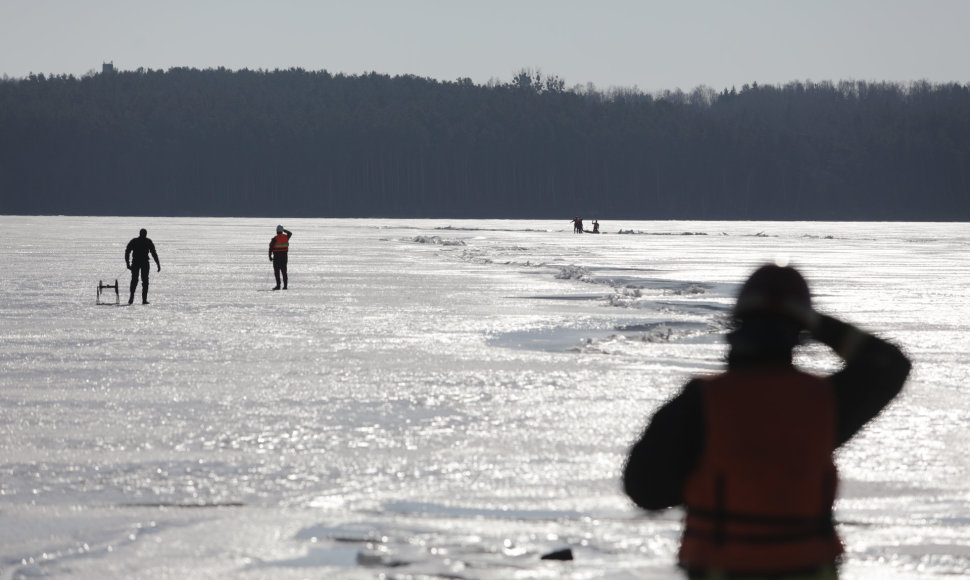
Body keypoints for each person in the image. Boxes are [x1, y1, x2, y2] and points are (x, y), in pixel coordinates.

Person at [623, 264, 911, 579]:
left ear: (738, 322)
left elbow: (645, 491)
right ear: (799, 330)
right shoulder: (823, 402)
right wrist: (816, 322)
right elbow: (889, 364)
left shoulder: (702, 402)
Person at [124, 228, 161, 305]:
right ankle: (142, 299)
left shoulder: (135, 241)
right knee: (143, 281)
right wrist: (158, 264)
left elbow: (127, 251)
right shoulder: (147, 241)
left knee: (136, 280)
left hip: (138, 263)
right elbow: (153, 253)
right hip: (142, 263)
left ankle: (135, 297)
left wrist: (128, 263)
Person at [269, 225, 292, 290]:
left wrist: (270, 256)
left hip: (276, 258)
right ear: (281, 231)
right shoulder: (286, 237)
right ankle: (285, 286)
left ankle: (278, 286)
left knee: (277, 272)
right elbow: (290, 233)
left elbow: (270, 248)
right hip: (284, 258)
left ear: (276, 231)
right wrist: (284, 230)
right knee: (284, 272)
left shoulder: (274, 239)